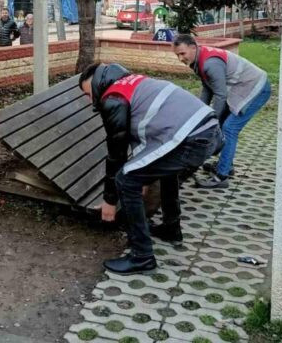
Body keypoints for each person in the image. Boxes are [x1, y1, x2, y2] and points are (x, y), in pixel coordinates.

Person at [79, 62, 222, 275]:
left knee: (125, 179)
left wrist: (110, 200)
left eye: (89, 94)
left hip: (192, 138)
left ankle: (142, 256)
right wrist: (143, 179)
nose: (91, 101)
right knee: (165, 170)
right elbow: (147, 140)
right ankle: (171, 228)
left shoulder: (114, 98)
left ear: (98, 83)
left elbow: (116, 154)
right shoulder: (136, 83)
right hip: (208, 131)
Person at [172, 34, 271, 188]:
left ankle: (221, 176)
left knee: (229, 128)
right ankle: (227, 165)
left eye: (182, 53)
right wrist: (199, 115)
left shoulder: (209, 63)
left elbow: (220, 95)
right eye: (177, 55)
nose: (180, 59)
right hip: (242, 87)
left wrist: (211, 122)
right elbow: (207, 88)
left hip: (256, 87)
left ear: (193, 47)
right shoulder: (198, 61)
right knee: (224, 125)